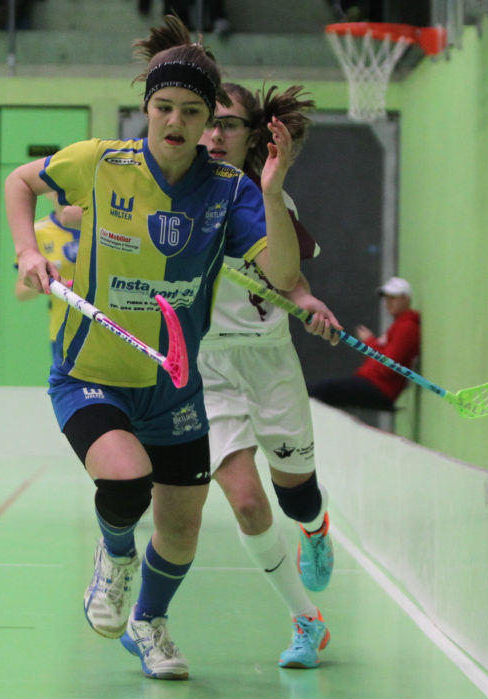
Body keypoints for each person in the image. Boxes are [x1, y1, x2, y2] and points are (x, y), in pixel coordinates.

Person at [6, 14, 316, 680]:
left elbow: (284, 276)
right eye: (163, 106)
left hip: (175, 387)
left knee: (181, 530)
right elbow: (20, 182)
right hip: (91, 373)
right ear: (146, 108)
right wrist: (27, 248)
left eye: (191, 110)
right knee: (124, 481)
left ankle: (150, 621)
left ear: (209, 121)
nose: (174, 120)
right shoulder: (101, 163)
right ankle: (114, 553)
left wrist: (271, 189)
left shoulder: (231, 193)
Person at [198, 81, 344, 669]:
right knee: (246, 503)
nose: (214, 134)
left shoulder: (269, 200)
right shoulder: (172, 194)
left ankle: (316, 524)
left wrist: (309, 303)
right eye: (208, 121)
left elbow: (288, 281)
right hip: (206, 367)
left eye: (229, 124)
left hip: (267, 359)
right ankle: (307, 620)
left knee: (296, 498)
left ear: (253, 135)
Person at [308, 275, 421, 413]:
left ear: (405, 299)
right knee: (322, 391)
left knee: (321, 389)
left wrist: (369, 341)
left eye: (393, 298)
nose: (388, 302)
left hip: (379, 388)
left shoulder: (406, 327)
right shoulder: (399, 325)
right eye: (386, 298)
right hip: (373, 384)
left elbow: (388, 365)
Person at [13, 193, 80, 345]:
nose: (63, 190)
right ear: (47, 191)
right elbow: (22, 291)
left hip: (110, 328)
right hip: (64, 331)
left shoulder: (103, 227)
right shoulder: (38, 232)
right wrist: (46, 281)